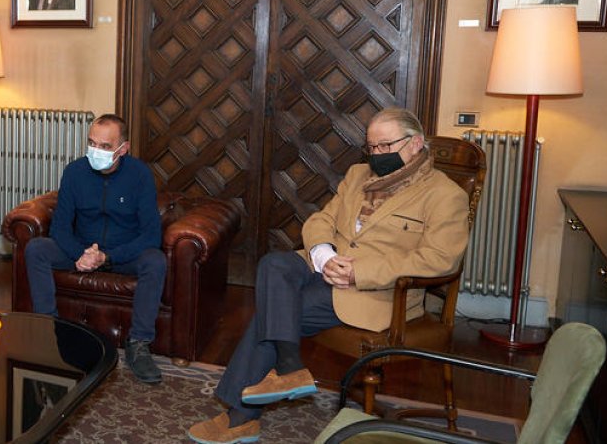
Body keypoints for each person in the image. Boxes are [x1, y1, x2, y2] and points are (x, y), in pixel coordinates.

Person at [186, 107, 470, 444]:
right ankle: (290, 370)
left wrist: (358, 273)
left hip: (375, 292)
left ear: (415, 143)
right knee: (273, 265)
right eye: (372, 147)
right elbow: (323, 219)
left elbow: (440, 260)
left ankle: (242, 416)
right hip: (328, 267)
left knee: (274, 310)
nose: (377, 154)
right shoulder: (358, 175)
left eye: (385, 146)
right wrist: (324, 253)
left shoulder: (445, 195)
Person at [24, 113, 166, 384]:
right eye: (92, 143)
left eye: (105, 146)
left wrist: (107, 257)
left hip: (122, 254)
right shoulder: (74, 172)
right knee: (36, 248)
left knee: (155, 261)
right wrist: (81, 254)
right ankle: (48, 328)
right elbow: (60, 228)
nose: (96, 151)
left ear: (122, 149)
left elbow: (150, 235)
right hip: (81, 251)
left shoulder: (140, 175)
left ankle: (138, 344)